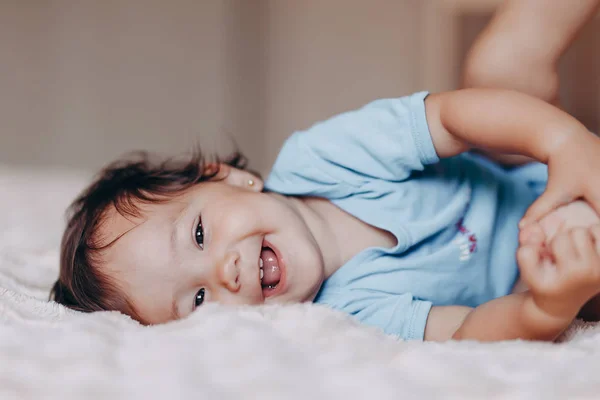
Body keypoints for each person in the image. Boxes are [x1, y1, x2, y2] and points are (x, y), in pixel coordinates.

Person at [51, 1, 600, 342]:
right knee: (575, 270)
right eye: (196, 301)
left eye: (199, 234)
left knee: (495, 74)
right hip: (543, 255)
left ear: (229, 176)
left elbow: (452, 117)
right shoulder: (345, 316)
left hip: (522, 162)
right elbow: (466, 330)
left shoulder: (321, 159)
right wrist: (546, 307)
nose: (226, 273)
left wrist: (563, 142)